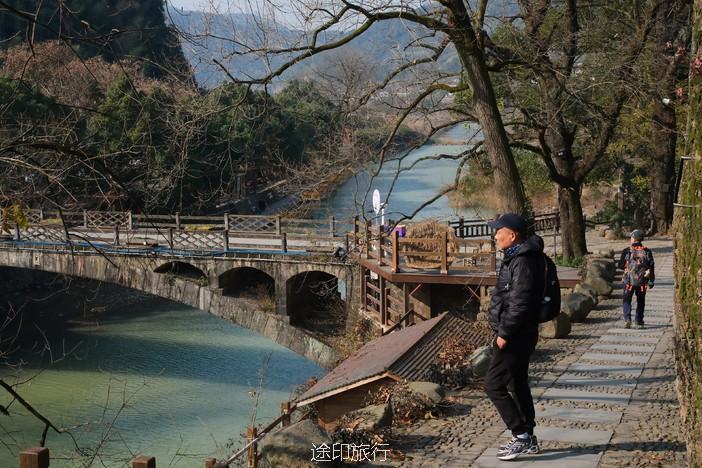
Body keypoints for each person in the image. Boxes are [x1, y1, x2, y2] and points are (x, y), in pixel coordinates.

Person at [484, 213, 544, 461]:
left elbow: (520, 303)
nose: (495, 236)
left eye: (499, 231)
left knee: (493, 385)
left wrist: (504, 333)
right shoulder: (516, 257)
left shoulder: (523, 261)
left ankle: (520, 435)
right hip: (520, 333)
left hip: (516, 335)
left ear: (513, 235)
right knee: (517, 384)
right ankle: (528, 436)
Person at [617, 229, 655, 329]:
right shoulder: (647, 251)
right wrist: (651, 281)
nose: (630, 239)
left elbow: (620, 265)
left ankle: (627, 319)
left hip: (628, 281)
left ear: (634, 239)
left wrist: (627, 267)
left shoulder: (627, 251)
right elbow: (651, 266)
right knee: (640, 301)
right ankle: (638, 321)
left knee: (627, 300)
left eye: (631, 237)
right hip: (642, 281)